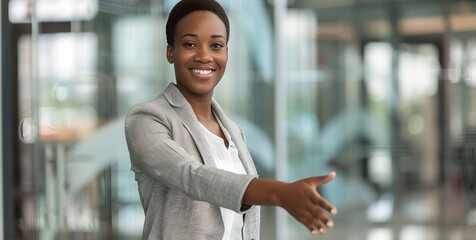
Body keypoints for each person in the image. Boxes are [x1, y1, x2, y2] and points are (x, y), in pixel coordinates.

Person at [124, 0, 337, 239]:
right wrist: (279, 193)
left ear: (226, 52)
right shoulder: (146, 120)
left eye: (216, 45)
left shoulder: (234, 131)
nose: (204, 56)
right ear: (170, 51)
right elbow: (191, 176)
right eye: (190, 44)